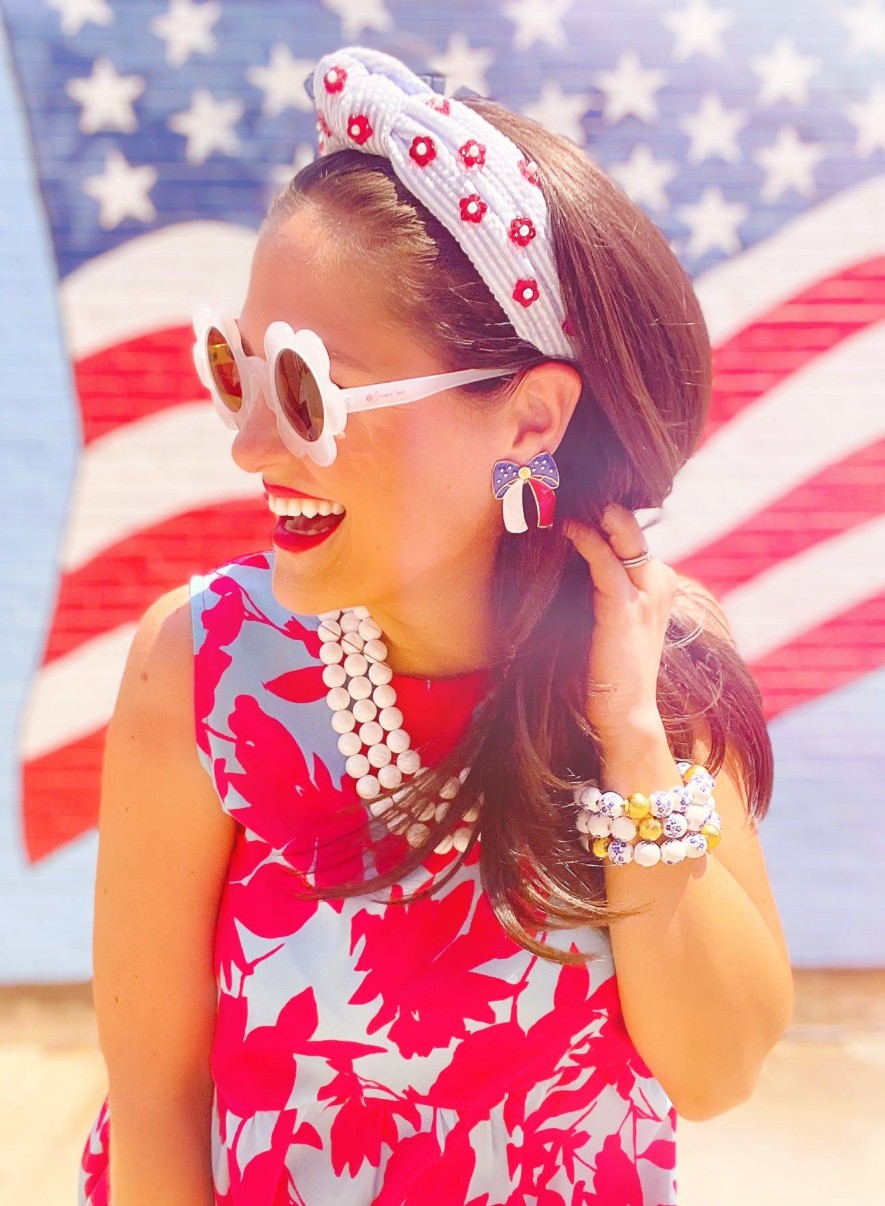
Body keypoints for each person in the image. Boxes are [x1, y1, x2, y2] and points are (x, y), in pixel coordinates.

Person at [78, 45, 793, 1206]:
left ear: (530, 416)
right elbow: (158, 1102)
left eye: (308, 390)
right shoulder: (203, 667)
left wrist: (628, 739)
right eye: (237, 371)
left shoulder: (652, 664)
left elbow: (716, 1072)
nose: (251, 446)